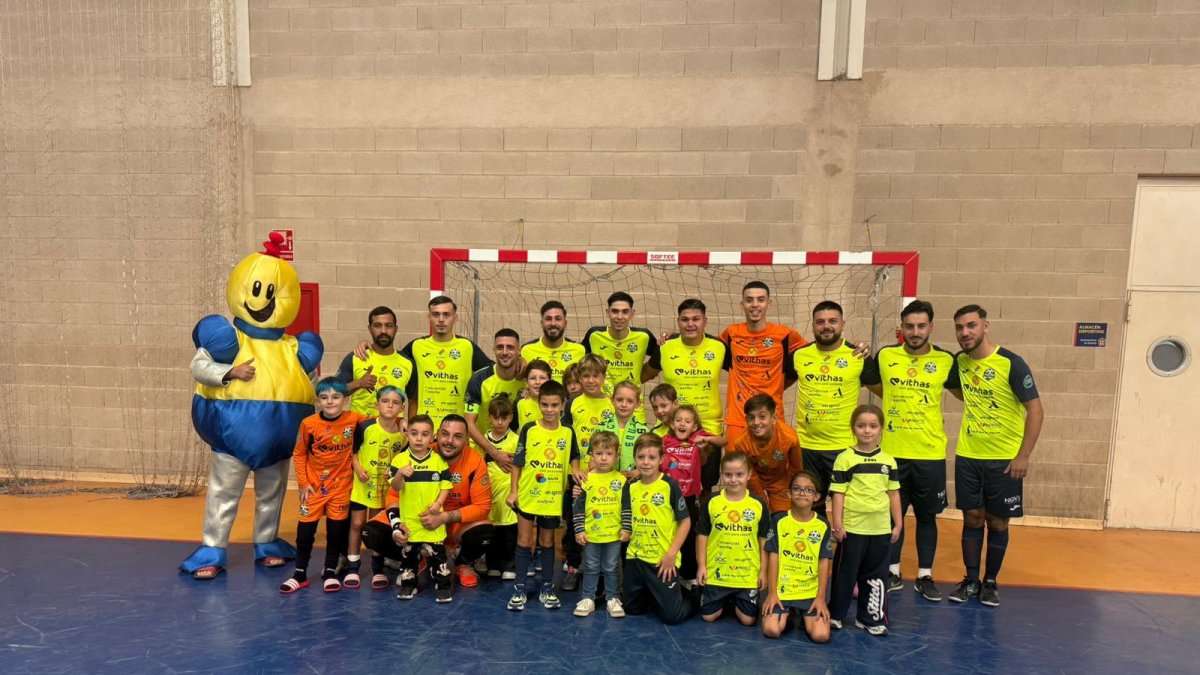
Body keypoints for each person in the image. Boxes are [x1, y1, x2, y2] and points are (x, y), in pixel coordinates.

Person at [861, 299, 959, 600]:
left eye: (921, 326)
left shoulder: (945, 360)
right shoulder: (887, 355)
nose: (915, 332)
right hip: (892, 452)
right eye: (909, 326)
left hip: (929, 454)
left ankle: (925, 575)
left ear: (930, 327)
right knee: (893, 516)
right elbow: (872, 382)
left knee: (928, 517)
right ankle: (892, 570)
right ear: (901, 328)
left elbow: (962, 393)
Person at [947, 305, 1043, 608]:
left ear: (985, 326)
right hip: (968, 456)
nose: (965, 333)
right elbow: (957, 389)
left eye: (971, 325)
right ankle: (971, 580)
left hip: (1004, 459)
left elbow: (1036, 411)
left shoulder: (1011, 363)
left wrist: (1023, 455)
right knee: (972, 517)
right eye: (960, 328)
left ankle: (991, 582)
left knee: (998, 522)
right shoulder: (958, 362)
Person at [360, 415, 494, 593]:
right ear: (436, 434)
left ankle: (462, 562)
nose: (449, 441)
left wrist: (444, 517)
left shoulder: (475, 460)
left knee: (485, 532)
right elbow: (393, 496)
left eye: (457, 436)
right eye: (445, 434)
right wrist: (397, 524)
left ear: (467, 439)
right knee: (371, 533)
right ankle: (417, 557)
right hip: (415, 522)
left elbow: (483, 507)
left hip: (452, 525)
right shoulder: (415, 453)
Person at [280, 377, 368, 594]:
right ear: (318, 401)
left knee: (336, 532)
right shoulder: (309, 424)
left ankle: (330, 571)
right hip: (314, 488)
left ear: (345, 400)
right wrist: (303, 483)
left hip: (341, 488)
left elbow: (380, 420)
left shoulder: (354, 419)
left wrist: (402, 422)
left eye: (336, 397)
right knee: (305, 532)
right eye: (324, 397)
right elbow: (299, 454)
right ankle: (299, 573)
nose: (330, 402)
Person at [506, 380, 582, 611]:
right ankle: (519, 589)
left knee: (548, 542)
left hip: (552, 497)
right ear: (539, 404)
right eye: (545, 405)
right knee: (524, 540)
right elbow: (518, 463)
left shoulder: (567, 431)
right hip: (529, 494)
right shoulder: (529, 429)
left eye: (554, 405)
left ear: (562, 405)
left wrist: (577, 471)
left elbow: (574, 456)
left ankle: (547, 589)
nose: (549, 410)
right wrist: (514, 490)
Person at [828, 405, 902, 636]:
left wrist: (897, 523)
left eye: (873, 426)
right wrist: (837, 524)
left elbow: (893, 494)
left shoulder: (889, 461)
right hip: (852, 528)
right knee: (845, 575)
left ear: (881, 429)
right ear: (853, 429)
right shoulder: (844, 459)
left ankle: (870, 618)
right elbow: (838, 494)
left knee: (876, 577)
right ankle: (836, 615)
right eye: (861, 426)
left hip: (880, 528)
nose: (867, 431)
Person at [793, 300, 866, 514]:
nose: (826, 326)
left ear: (842, 324)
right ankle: (819, 547)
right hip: (806, 445)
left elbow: (883, 389)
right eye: (820, 322)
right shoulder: (799, 355)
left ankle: (845, 548)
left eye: (832, 321)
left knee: (844, 507)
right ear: (813, 325)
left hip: (842, 447)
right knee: (811, 506)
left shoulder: (859, 356)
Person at [622, 433, 696, 626]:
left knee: (672, 617)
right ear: (635, 458)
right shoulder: (629, 487)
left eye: (652, 458)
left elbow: (685, 521)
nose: (646, 462)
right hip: (635, 558)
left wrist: (671, 554)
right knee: (631, 609)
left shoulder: (669, 485)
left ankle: (693, 596)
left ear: (661, 459)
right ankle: (656, 593)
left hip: (662, 560)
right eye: (641, 457)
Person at [719, 281, 808, 441]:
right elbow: (702, 344)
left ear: (769, 303)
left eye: (760, 299)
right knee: (735, 466)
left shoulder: (785, 335)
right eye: (749, 300)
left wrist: (856, 348)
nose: (755, 304)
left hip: (772, 418)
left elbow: (817, 352)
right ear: (742, 304)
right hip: (738, 419)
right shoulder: (731, 333)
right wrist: (672, 337)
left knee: (773, 466)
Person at [392, 296, 492, 428]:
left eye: (446, 315)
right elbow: (390, 359)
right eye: (435, 314)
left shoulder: (466, 347)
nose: (441, 319)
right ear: (429, 317)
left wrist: (519, 366)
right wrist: (367, 346)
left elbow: (494, 371)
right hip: (425, 428)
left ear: (455, 318)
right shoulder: (416, 346)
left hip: (457, 428)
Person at [561, 353, 616, 591]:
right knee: (574, 524)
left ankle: (603, 575)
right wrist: (575, 468)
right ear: (579, 378)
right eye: (586, 376)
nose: (591, 380)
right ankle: (573, 568)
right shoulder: (573, 404)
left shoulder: (612, 404)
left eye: (596, 375)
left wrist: (596, 467)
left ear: (603, 377)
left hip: (602, 476)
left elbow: (614, 442)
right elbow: (566, 438)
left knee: (600, 522)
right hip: (575, 475)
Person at [345, 386, 408, 590]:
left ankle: (377, 569)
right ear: (376, 404)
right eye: (385, 401)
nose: (390, 405)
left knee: (376, 528)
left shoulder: (403, 433)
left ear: (401, 408)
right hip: (363, 485)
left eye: (395, 402)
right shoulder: (365, 427)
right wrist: (358, 468)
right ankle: (353, 566)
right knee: (356, 524)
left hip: (385, 489)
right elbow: (353, 453)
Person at [696, 451, 768, 626]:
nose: (734, 480)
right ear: (722, 474)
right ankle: (722, 598)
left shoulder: (758, 504)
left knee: (748, 620)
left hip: (746, 574)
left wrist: (763, 571)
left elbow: (763, 540)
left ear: (749, 475)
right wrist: (702, 566)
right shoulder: (713, 501)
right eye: (728, 475)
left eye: (739, 475)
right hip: (717, 572)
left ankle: (736, 599)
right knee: (708, 617)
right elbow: (702, 535)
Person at [761, 471, 833, 643]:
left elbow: (824, 561)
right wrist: (772, 593)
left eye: (808, 490)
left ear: (816, 496)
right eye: (797, 488)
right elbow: (773, 556)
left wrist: (821, 598)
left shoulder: (822, 524)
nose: (802, 493)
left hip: (809, 593)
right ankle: (788, 611)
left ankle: (802, 613)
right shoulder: (778, 520)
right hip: (783, 591)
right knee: (772, 630)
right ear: (789, 493)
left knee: (820, 635)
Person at [390, 414, 453, 602]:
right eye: (414, 433)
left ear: (432, 437)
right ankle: (409, 586)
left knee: (439, 559)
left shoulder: (439, 462)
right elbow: (395, 487)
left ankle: (443, 587)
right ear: (407, 434)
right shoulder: (399, 460)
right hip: (410, 524)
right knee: (409, 559)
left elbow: (445, 486)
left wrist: (438, 504)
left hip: (432, 523)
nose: (419, 439)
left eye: (424, 434)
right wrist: (401, 474)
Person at [662, 405, 726, 584]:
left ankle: (689, 576)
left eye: (688, 421)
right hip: (668, 497)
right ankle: (667, 571)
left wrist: (706, 442)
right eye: (679, 420)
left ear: (695, 426)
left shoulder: (697, 439)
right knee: (670, 534)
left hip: (689, 497)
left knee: (690, 536)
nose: (683, 424)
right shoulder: (665, 441)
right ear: (673, 424)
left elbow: (724, 441)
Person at [571, 431, 628, 618]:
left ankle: (613, 598)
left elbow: (627, 507)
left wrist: (626, 528)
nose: (604, 458)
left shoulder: (621, 481)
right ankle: (588, 598)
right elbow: (578, 508)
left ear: (616, 456)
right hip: (591, 535)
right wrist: (579, 530)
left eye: (609, 453)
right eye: (599, 453)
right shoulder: (586, 480)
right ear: (592, 455)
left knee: (612, 566)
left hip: (613, 534)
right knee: (591, 566)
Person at [651, 298, 726, 434]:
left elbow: (742, 370)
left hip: (709, 429)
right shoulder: (664, 346)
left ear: (705, 321)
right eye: (685, 320)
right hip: (671, 427)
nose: (690, 324)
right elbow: (645, 374)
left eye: (696, 319)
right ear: (678, 321)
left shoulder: (719, 347)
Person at [582, 292, 661, 420]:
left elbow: (662, 356)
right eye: (615, 311)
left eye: (625, 312)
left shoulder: (643, 337)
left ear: (632, 313)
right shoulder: (594, 335)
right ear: (607, 313)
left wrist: (644, 374)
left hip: (633, 408)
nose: (619, 316)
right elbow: (578, 362)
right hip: (602, 406)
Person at [731, 394, 804, 515]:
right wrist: (760, 495)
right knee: (756, 515)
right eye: (751, 418)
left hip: (781, 483)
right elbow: (750, 473)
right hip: (755, 482)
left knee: (781, 519)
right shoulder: (740, 442)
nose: (756, 422)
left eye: (762, 417)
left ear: (774, 418)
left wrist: (794, 492)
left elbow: (796, 469)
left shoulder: (790, 437)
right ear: (746, 420)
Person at [337, 306, 413, 417]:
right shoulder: (356, 357)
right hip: (360, 429)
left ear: (395, 329)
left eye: (389, 326)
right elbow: (334, 392)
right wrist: (358, 383)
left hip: (393, 431)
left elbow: (413, 401)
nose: (383, 331)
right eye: (377, 326)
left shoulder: (408, 363)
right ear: (370, 328)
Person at [465, 328, 524, 466]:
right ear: (494, 350)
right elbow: (469, 423)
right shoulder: (479, 379)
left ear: (518, 351)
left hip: (515, 453)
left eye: (510, 347)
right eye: (499, 347)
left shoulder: (527, 378)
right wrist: (495, 453)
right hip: (483, 452)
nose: (504, 352)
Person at [483, 398, 520, 580]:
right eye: (495, 418)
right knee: (492, 533)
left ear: (510, 418)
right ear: (489, 418)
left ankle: (509, 566)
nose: (499, 422)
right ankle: (493, 564)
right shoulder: (484, 440)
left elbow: (519, 466)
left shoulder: (515, 440)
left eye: (503, 418)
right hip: (489, 495)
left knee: (509, 534)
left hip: (508, 495)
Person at [595, 380, 650, 477]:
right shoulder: (601, 427)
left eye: (630, 401)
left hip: (633, 483)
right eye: (619, 400)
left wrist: (637, 472)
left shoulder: (643, 431)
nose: (624, 405)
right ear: (612, 400)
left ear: (637, 404)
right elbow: (592, 460)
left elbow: (649, 460)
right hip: (605, 482)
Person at [521, 300, 586, 383]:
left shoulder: (579, 350)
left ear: (565, 323)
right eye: (548, 319)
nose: (553, 323)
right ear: (541, 323)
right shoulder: (526, 350)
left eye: (558, 319)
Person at [513, 359, 553, 430]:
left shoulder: (558, 403)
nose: (537, 382)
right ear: (526, 383)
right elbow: (512, 430)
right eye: (533, 378)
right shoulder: (519, 403)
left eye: (542, 378)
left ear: (550, 381)